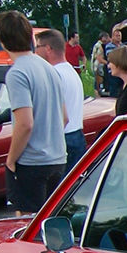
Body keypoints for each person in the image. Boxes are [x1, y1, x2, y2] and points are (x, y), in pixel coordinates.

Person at [0, 10, 68, 211]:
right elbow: (64, 117)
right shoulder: (49, 69)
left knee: (28, 224)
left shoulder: (17, 73)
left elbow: (25, 123)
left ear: (2, 41)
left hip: (32, 162)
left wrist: (11, 160)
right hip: (57, 157)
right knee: (49, 220)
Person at [37, 28, 86, 172]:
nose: (35, 52)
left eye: (37, 47)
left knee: (58, 191)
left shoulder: (54, 74)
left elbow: (52, 113)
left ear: (48, 49)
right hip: (77, 135)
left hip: (63, 138)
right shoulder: (71, 71)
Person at [90, 30, 112, 95]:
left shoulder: (99, 45)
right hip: (98, 67)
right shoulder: (99, 46)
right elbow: (99, 58)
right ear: (103, 38)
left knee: (97, 84)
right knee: (98, 85)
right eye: (107, 37)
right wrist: (107, 63)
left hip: (96, 67)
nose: (108, 39)